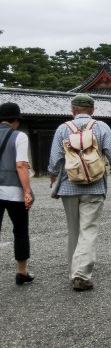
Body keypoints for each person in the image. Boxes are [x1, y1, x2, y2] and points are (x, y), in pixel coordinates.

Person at [48, 94, 111, 291]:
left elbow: (54, 162)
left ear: (72, 110)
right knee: (88, 229)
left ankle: (74, 272)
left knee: (74, 230)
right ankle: (82, 274)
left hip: (68, 186)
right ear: (92, 110)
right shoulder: (101, 127)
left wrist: (54, 180)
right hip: (95, 186)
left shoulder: (63, 129)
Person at [0, 102, 35, 285]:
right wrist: (27, 191)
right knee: (20, 231)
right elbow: (21, 165)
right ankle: (21, 272)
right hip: (14, 192)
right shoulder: (19, 136)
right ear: (15, 120)